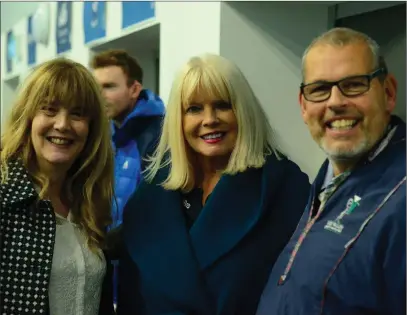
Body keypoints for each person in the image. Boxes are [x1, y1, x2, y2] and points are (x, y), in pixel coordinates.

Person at [116, 53, 310, 315]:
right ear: (178, 119)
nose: (209, 119)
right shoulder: (146, 201)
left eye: (222, 105)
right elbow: (131, 298)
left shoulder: (285, 188)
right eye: (194, 109)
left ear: (243, 112)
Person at [256, 27, 406, 315]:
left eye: (354, 84)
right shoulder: (331, 176)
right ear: (303, 105)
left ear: (388, 93)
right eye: (319, 90)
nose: (335, 102)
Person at [0, 58, 115, 314]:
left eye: (77, 113)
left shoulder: (89, 200)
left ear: (91, 128)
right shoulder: (5, 194)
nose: (62, 124)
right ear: (27, 118)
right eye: (49, 110)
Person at [90, 49, 165, 306]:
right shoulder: (99, 133)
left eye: (109, 86)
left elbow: (159, 211)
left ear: (134, 89)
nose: (100, 95)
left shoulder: (163, 135)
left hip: (145, 274)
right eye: (96, 87)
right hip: (107, 270)